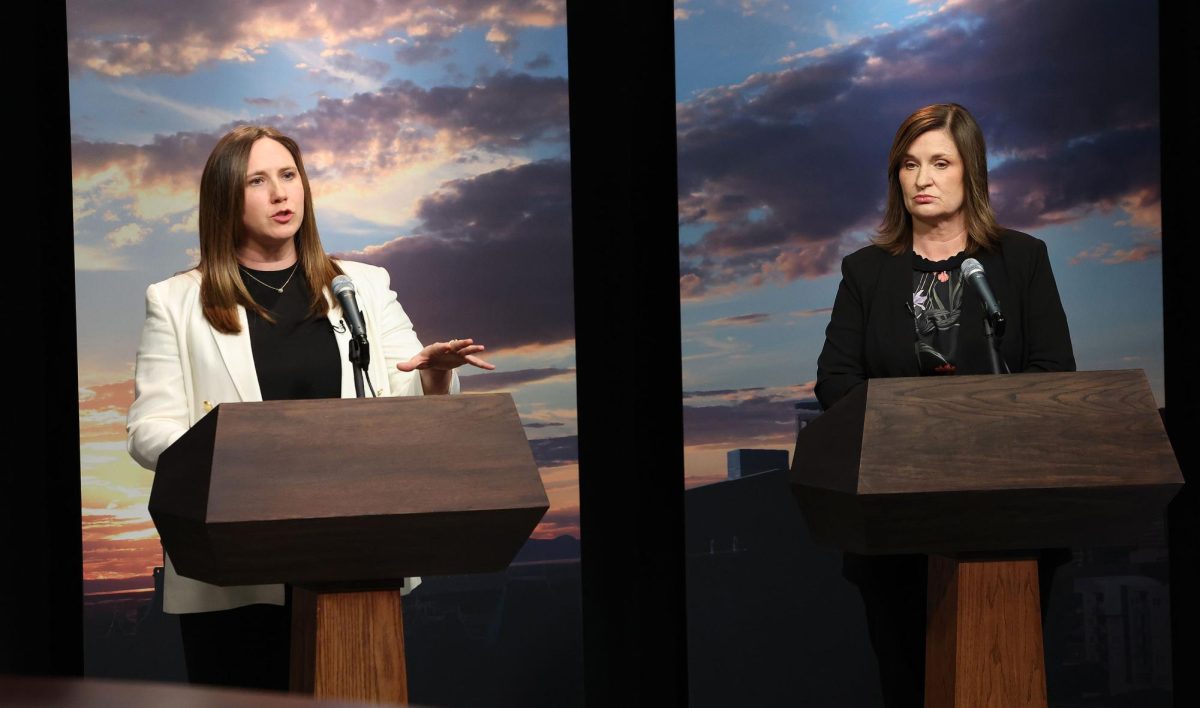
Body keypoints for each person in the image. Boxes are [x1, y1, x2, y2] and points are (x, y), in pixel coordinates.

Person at [126, 125, 494, 690]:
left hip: (353, 559)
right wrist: (221, 454)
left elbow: (403, 395)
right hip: (233, 566)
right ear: (226, 197)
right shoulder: (176, 301)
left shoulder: (362, 287)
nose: (280, 194)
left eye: (289, 175)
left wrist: (436, 376)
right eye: (257, 180)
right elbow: (148, 428)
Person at [814, 103, 1075, 707]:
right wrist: (910, 433)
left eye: (939, 162)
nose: (921, 179)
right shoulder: (867, 272)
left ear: (970, 173)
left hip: (1012, 517)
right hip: (896, 523)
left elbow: (1053, 374)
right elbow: (835, 381)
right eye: (908, 164)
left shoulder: (1022, 259)